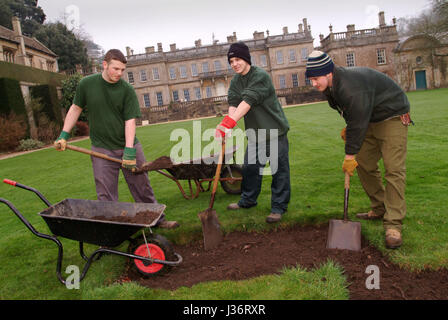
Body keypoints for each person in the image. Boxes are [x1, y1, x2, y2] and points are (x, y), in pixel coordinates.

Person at [54, 49, 178, 229]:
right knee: (105, 194)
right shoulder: (87, 84)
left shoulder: (126, 89)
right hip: (101, 148)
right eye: (116, 69)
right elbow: (75, 108)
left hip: (128, 145)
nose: (119, 73)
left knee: (142, 186)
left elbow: (130, 121)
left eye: (122, 70)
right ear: (104, 65)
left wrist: (128, 150)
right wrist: (64, 135)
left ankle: (157, 220)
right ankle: (112, 230)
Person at [305, 50, 413, 249]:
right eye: (310, 79)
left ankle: (393, 224)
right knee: (364, 163)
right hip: (368, 116)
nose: (313, 84)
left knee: (393, 169)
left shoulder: (349, 86)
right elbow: (351, 112)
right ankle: (379, 207)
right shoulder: (330, 88)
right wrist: (351, 125)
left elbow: (357, 112)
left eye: (316, 78)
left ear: (329, 73)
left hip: (392, 115)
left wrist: (349, 155)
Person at [215, 42, 291, 223]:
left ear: (246, 59)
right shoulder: (235, 81)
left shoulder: (260, 76)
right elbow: (234, 104)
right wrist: (228, 125)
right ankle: (248, 200)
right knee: (250, 168)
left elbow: (247, 102)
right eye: (231, 61)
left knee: (278, 171)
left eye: (238, 59)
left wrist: (229, 123)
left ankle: (278, 207)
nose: (234, 63)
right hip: (255, 134)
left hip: (274, 131)